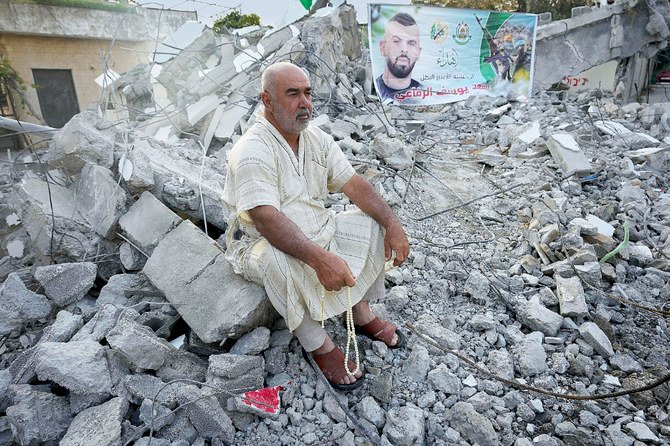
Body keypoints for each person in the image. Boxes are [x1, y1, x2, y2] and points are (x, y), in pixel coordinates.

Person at [222, 61, 410, 391]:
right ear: (267, 101)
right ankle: (320, 345)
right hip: (259, 241)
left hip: (319, 228)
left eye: (308, 93)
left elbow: (352, 183)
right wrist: (321, 260)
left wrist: (393, 223)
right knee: (273, 260)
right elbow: (266, 219)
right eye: (292, 94)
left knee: (372, 222)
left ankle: (361, 313)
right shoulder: (252, 149)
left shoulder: (314, 138)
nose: (305, 103)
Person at [375, 12, 424, 102]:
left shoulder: (427, 94)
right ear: (383, 47)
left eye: (411, 43)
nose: (404, 49)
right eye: (396, 41)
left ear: (418, 53)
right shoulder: (373, 90)